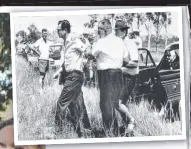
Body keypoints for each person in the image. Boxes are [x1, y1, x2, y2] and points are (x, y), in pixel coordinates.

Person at [90, 19, 129, 136]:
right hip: (118, 74)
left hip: (106, 75)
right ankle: (120, 128)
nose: (98, 32)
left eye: (99, 30)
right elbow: (126, 60)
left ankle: (111, 133)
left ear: (105, 30)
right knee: (115, 103)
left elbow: (91, 54)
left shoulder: (101, 42)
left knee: (106, 104)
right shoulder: (120, 41)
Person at [53, 20, 91, 137]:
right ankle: (85, 129)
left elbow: (87, 51)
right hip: (71, 76)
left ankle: (58, 132)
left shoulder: (75, 40)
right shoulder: (66, 43)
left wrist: (85, 64)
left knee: (61, 103)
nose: (57, 31)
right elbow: (67, 62)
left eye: (58, 30)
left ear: (65, 30)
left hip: (74, 76)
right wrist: (58, 71)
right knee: (78, 104)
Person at [115, 20, 138, 134]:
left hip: (129, 77)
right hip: (123, 77)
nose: (115, 34)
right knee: (121, 103)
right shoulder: (121, 43)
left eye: (117, 31)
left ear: (123, 31)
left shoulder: (130, 43)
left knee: (118, 103)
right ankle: (128, 128)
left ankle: (131, 121)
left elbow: (135, 63)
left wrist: (121, 64)